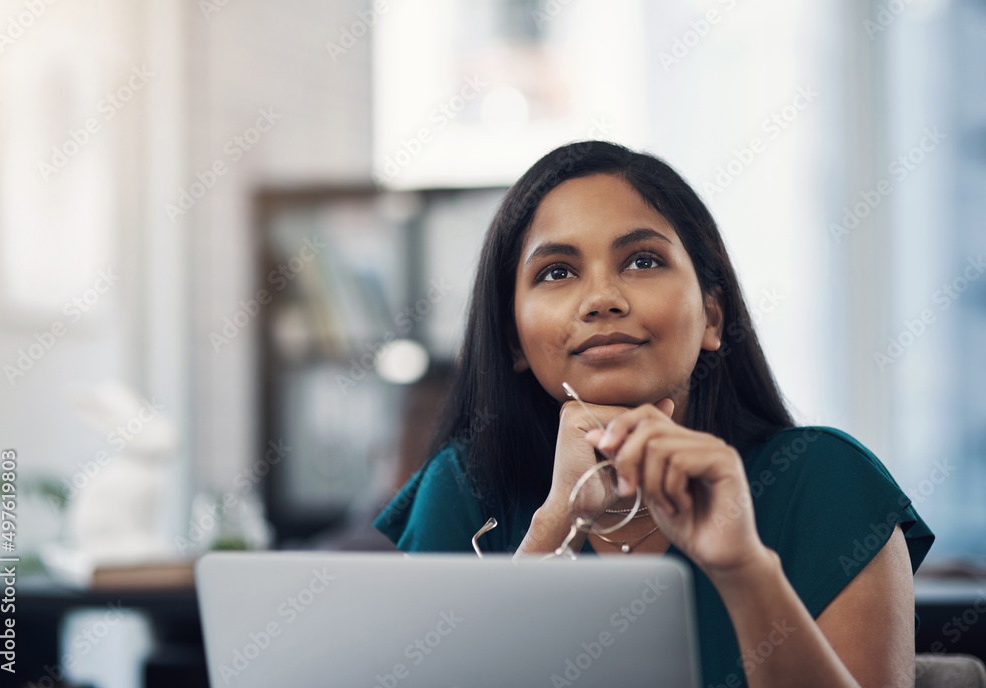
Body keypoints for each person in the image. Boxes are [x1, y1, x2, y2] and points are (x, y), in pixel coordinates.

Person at [372, 140, 935, 688]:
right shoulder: (462, 490)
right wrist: (553, 529)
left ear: (713, 316)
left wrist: (744, 570)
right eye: (557, 272)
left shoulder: (829, 485)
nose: (602, 298)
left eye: (642, 261)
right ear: (514, 341)